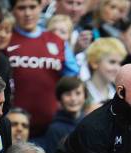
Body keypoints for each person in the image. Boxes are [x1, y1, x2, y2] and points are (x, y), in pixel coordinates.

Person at [6, 0, 79, 136]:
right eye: (22, 8)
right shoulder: (5, 39)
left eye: (32, 7)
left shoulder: (57, 41)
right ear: (13, 11)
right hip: (14, 128)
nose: (28, 13)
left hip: (50, 128)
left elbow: (72, 79)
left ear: (40, 7)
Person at [36, 76, 86, 153]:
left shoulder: (89, 123)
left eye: (78, 93)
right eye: (68, 94)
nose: (73, 98)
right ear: (60, 99)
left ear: (85, 97)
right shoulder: (55, 129)